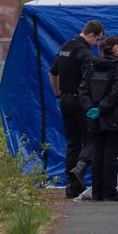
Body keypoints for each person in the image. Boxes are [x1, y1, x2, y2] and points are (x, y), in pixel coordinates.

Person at [49, 20, 105, 198]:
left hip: (65, 100)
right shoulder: (84, 52)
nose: (97, 44)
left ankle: (71, 187)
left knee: (72, 143)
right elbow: (88, 79)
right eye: (97, 39)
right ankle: (80, 168)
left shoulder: (66, 46)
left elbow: (52, 72)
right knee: (92, 140)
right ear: (91, 35)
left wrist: (58, 94)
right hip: (80, 101)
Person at [79, 36, 118, 202]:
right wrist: (102, 107)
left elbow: (83, 89)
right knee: (110, 155)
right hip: (113, 116)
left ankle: (97, 192)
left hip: (95, 117)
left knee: (98, 154)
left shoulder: (92, 66)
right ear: (115, 48)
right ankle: (110, 192)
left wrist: (90, 108)